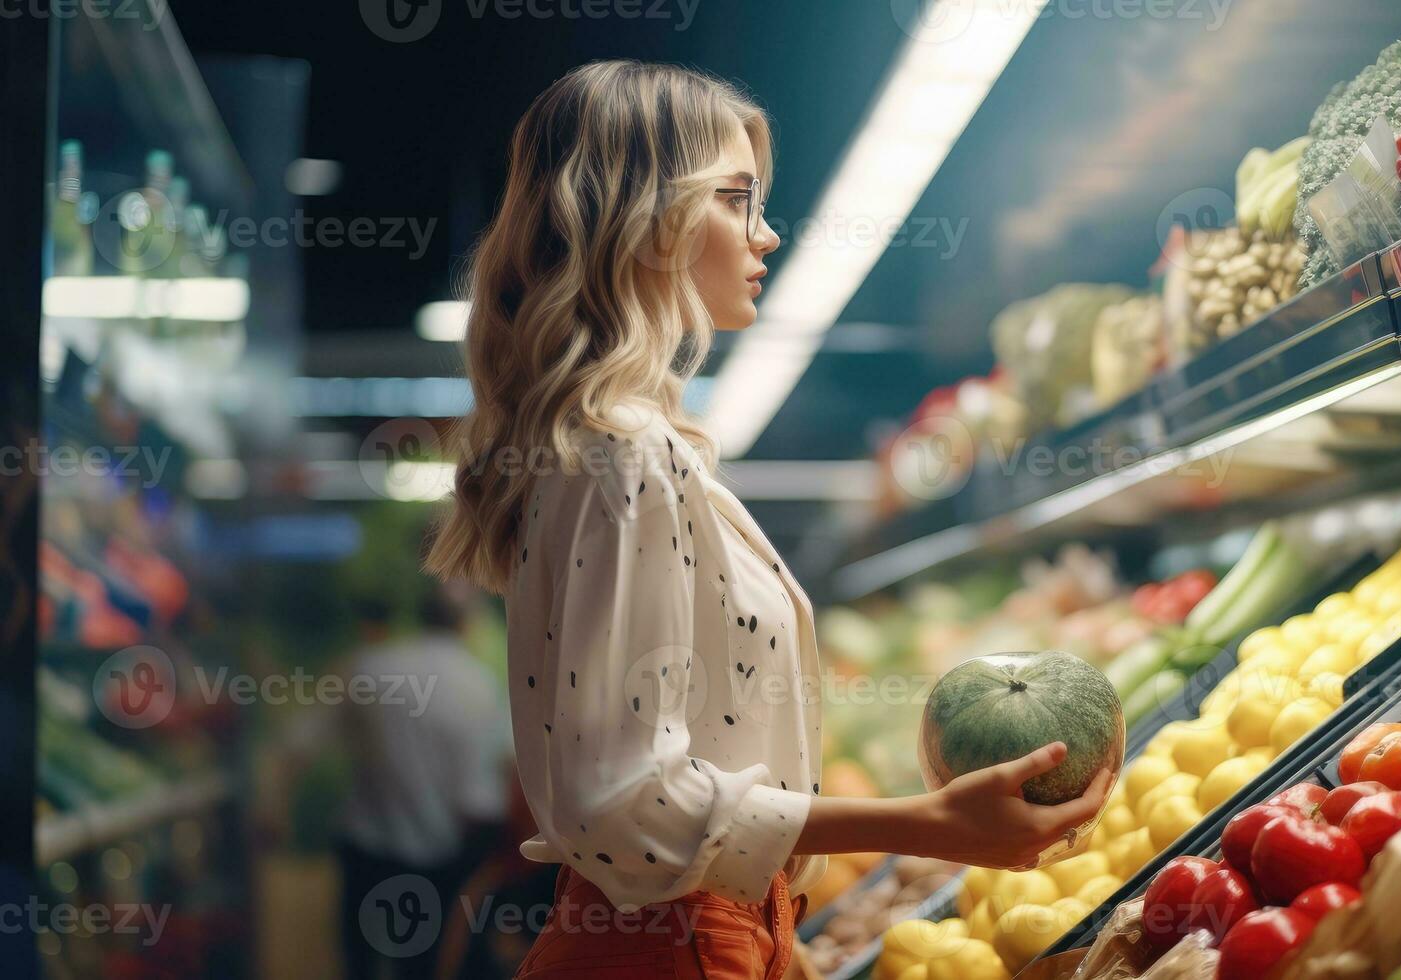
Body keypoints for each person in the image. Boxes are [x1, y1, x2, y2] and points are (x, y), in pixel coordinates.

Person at [425, 60, 1112, 980]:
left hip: (701, 933)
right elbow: (626, 802)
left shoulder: (622, 446)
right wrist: (928, 827)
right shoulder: (624, 453)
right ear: (644, 218)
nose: (766, 232)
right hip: (672, 945)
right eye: (735, 199)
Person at [334, 590, 512, 980]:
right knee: (419, 966)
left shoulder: (369, 668)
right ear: (468, 624)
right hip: (435, 861)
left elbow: (307, 744)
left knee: (359, 962)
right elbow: (478, 800)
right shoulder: (478, 686)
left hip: (363, 849)